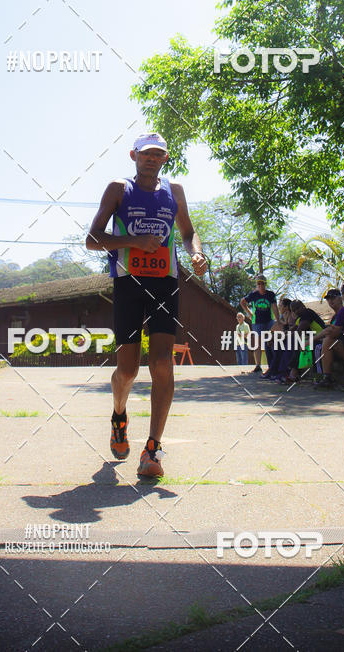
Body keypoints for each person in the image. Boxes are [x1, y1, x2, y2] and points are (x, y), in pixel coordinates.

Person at [86, 132, 207, 478]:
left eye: (158, 155)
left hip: (165, 282)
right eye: (146, 154)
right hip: (128, 283)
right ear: (134, 156)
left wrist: (196, 253)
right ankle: (119, 414)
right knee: (128, 370)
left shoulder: (175, 191)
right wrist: (134, 241)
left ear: (165, 159)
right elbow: (92, 239)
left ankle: (153, 449)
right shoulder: (118, 189)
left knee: (162, 363)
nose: (152, 159)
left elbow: (188, 233)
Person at [316, 283, 344, 389]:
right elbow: (337, 331)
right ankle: (327, 377)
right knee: (328, 340)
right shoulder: (343, 312)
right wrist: (332, 331)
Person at [240, 275, 279, 374]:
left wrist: (278, 320)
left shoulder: (270, 294)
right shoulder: (254, 294)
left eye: (262, 283)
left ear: (265, 284)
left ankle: (273, 364)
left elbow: (274, 307)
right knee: (257, 343)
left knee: (270, 341)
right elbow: (243, 302)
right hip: (257, 322)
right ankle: (258, 365)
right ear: (257, 285)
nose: (261, 285)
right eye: (259, 283)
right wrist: (249, 313)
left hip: (269, 321)